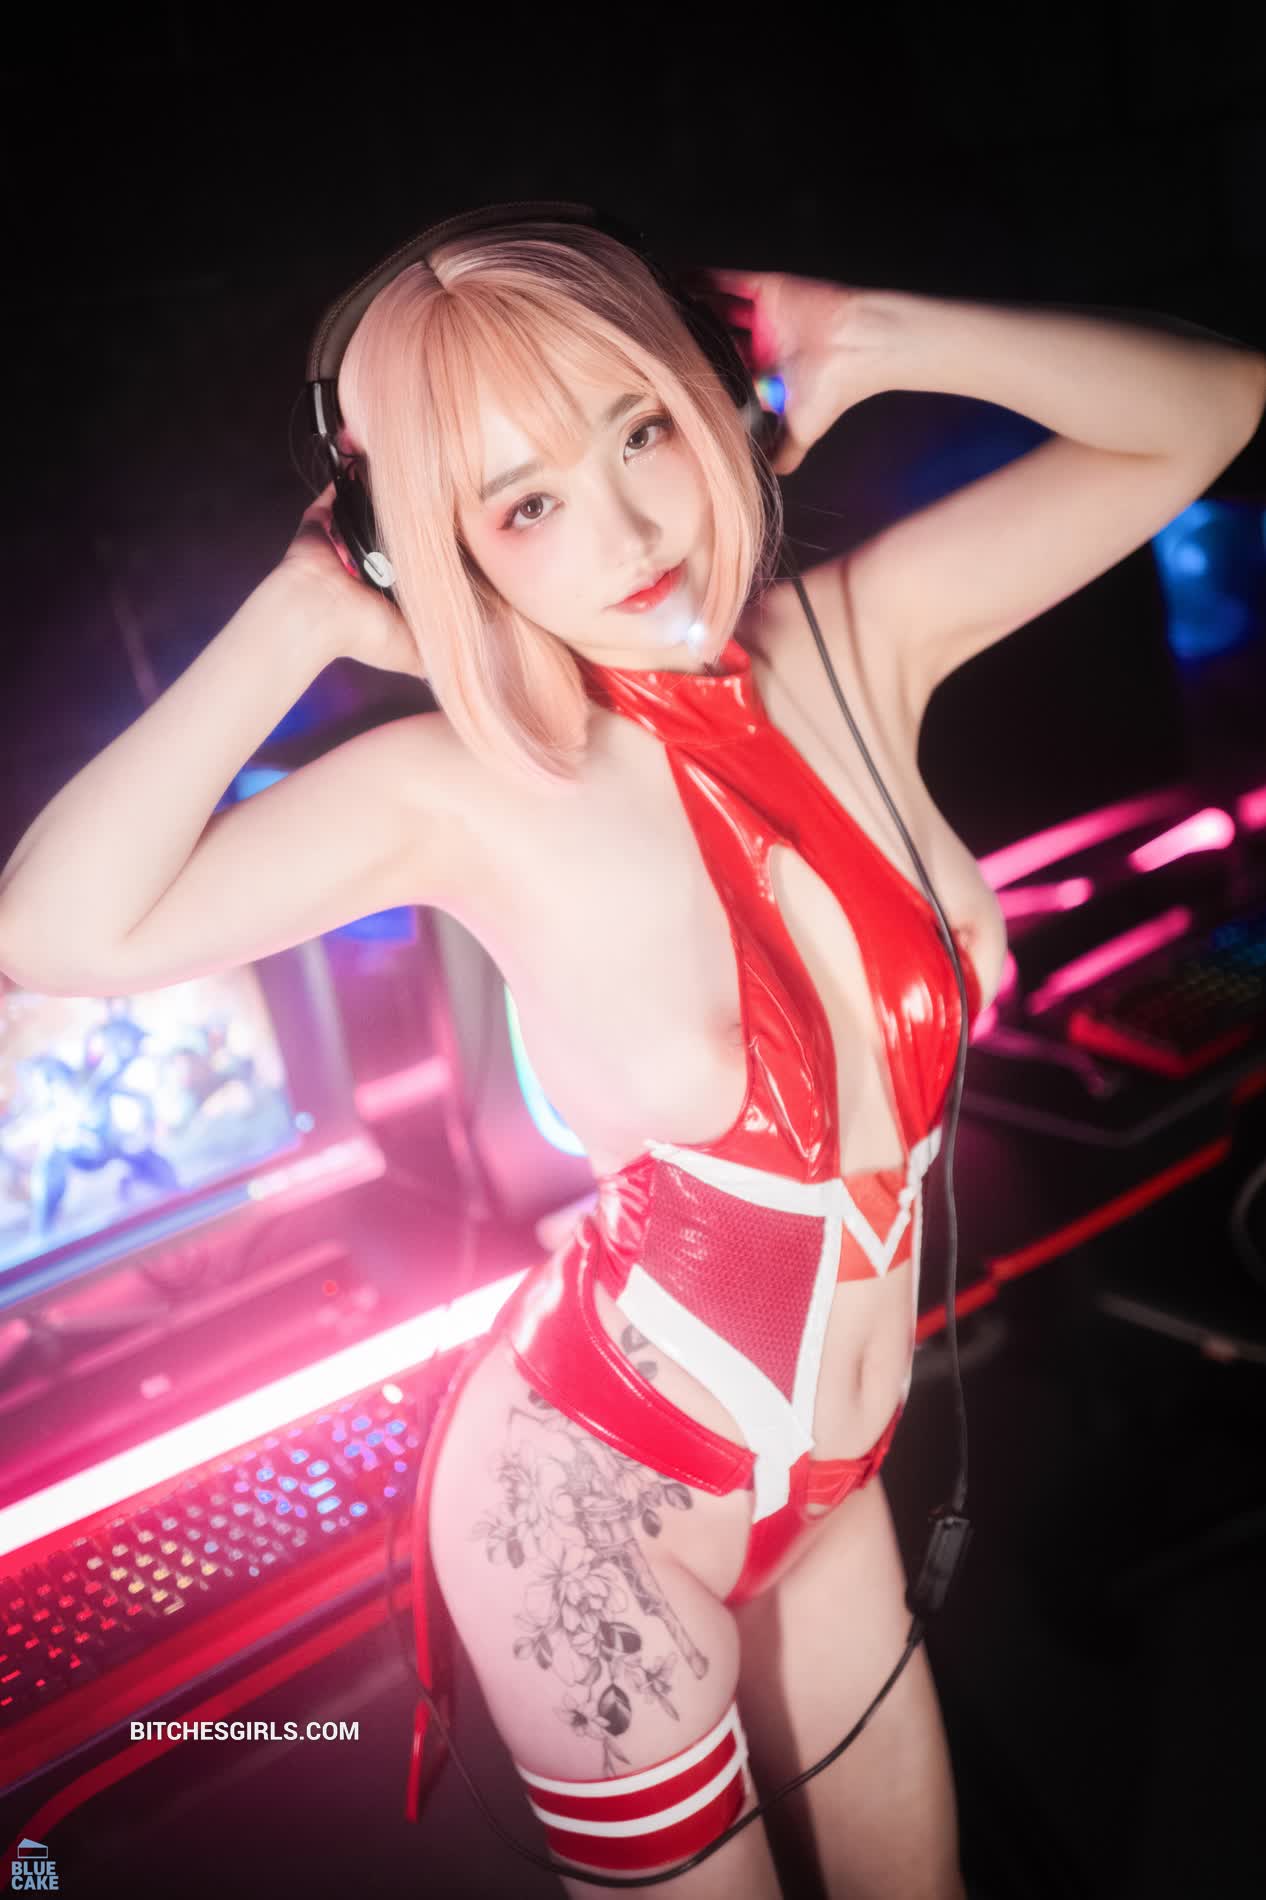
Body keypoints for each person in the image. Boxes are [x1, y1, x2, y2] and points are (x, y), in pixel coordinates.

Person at [2, 214, 1260, 1900]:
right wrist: (300, 611)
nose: (629, 531)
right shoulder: (460, 789)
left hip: (831, 1475)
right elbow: (51, 932)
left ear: (716, 399)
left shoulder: (851, 640)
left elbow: (1210, 406)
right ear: (424, 549)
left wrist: (869, 329)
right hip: (586, 1509)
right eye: (523, 504)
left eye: (642, 430)